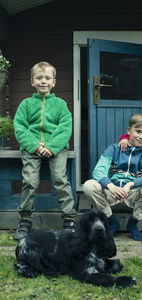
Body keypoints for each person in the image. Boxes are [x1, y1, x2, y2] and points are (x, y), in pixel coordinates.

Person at [13, 61, 77, 241]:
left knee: (60, 179)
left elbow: (65, 128)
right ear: (32, 81)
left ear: (54, 82)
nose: (43, 81)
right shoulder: (26, 104)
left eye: (47, 78)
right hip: (31, 148)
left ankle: (69, 219)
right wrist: (35, 146)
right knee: (30, 181)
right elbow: (20, 127)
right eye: (39, 78)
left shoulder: (60, 104)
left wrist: (51, 147)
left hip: (56, 148)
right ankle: (25, 220)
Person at [83, 114, 142, 241]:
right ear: (129, 131)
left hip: (133, 193)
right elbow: (98, 171)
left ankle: (133, 223)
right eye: (138, 131)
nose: (141, 136)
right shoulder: (114, 149)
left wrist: (130, 184)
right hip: (111, 191)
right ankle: (110, 221)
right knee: (89, 185)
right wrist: (111, 186)